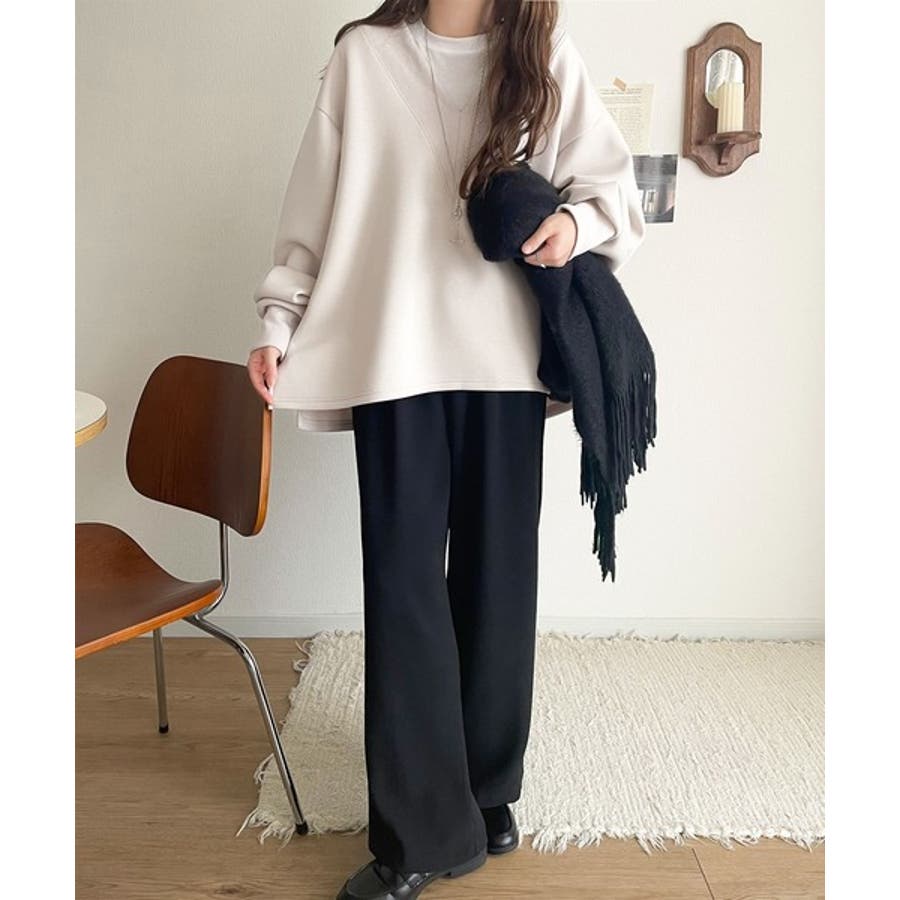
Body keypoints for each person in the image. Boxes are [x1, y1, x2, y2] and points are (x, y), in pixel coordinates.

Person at [245, 2, 646, 897]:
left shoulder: (541, 54)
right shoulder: (364, 58)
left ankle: (487, 789)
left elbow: (614, 190)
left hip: (505, 366)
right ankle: (422, 834)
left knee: (499, 581)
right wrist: (278, 322)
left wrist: (575, 228)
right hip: (392, 359)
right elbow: (311, 213)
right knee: (403, 588)